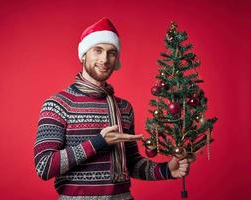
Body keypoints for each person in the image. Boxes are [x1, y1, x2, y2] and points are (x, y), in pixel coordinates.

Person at [34, 17, 193, 200]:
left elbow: (131, 164)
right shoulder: (58, 104)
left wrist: (167, 170)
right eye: (98, 50)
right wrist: (98, 142)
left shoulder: (124, 108)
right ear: (84, 54)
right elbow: (44, 166)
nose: (104, 59)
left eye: (111, 53)